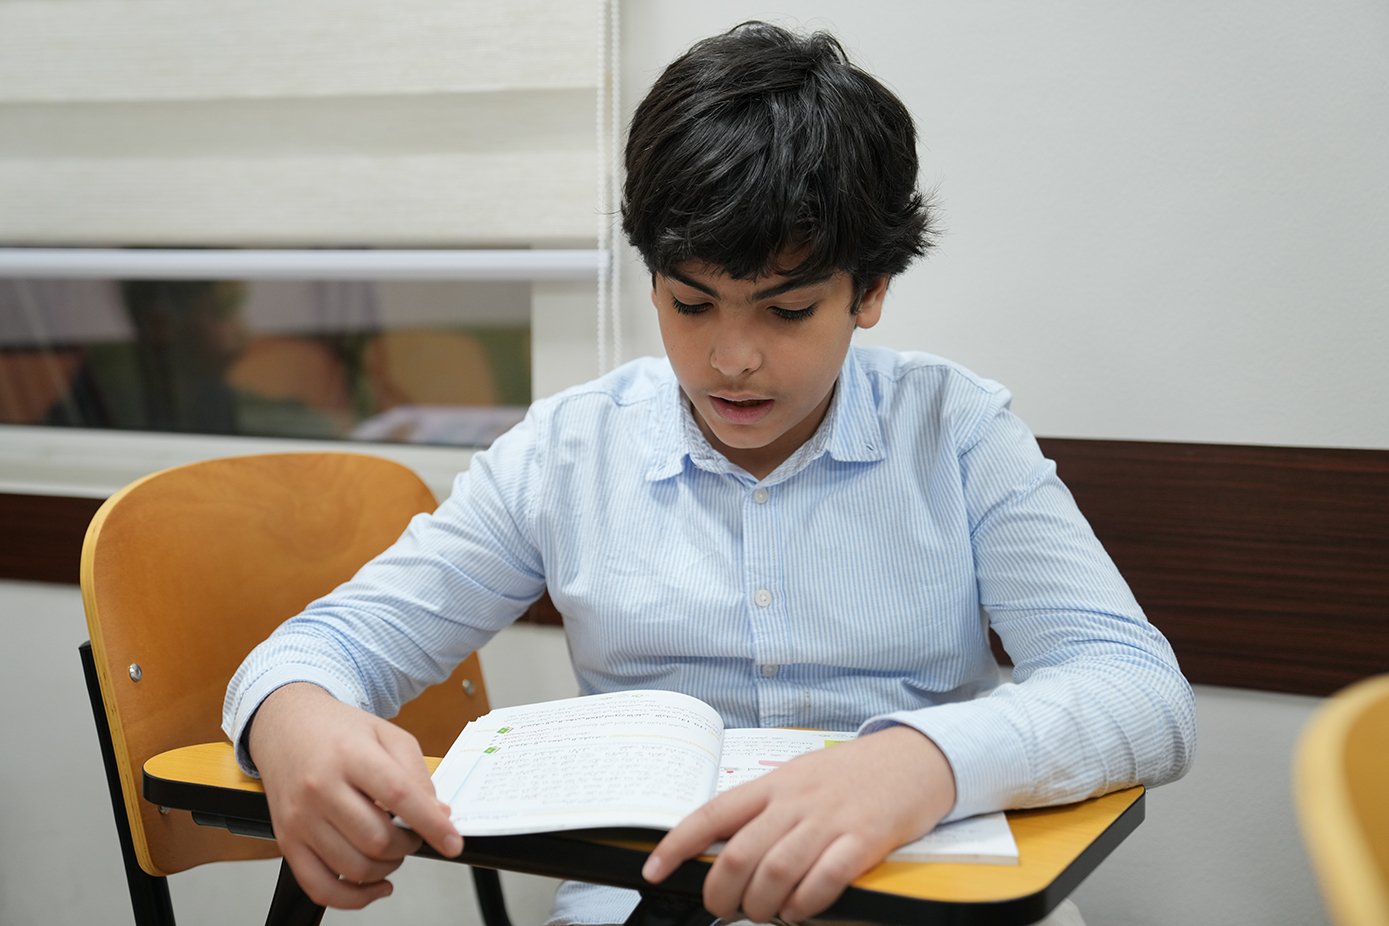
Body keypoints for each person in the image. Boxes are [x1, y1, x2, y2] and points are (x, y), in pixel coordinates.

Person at [225, 21, 1196, 926]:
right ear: (652, 276)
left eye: (786, 311)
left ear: (870, 289)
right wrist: (291, 714)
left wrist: (921, 763)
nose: (731, 359)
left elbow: (1139, 689)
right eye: (691, 305)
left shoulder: (956, 431)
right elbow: (335, 643)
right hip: (644, 898)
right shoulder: (569, 451)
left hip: (916, 886)